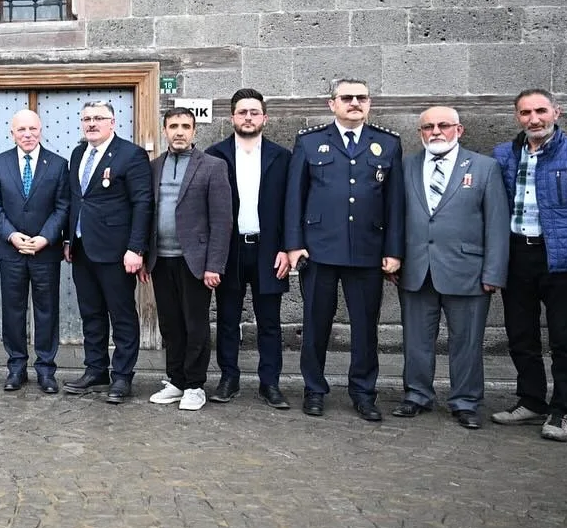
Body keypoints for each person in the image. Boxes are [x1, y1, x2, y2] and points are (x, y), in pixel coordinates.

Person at [491, 90, 567, 442]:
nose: (534, 119)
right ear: (517, 117)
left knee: (564, 338)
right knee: (520, 335)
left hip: (563, 260)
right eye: (525, 113)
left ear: (556, 111)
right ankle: (531, 400)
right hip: (517, 257)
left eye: (540, 110)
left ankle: (562, 409)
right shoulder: (503, 155)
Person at [285, 77, 403, 421]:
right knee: (316, 324)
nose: (355, 102)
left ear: (369, 104)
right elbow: (295, 198)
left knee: (366, 327)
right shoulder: (309, 143)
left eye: (361, 98)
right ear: (331, 104)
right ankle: (314, 389)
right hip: (319, 251)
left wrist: (394, 251)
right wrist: (294, 245)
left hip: (368, 251)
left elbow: (395, 204)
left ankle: (364, 392)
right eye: (347, 97)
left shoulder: (388, 144)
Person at [394, 106, 508, 429]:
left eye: (444, 125)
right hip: (417, 269)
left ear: (460, 130)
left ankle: (466, 401)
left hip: (468, 270)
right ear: (420, 133)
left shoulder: (485, 168)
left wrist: (494, 272)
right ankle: (416, 394)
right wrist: (394, 257)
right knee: (416, 339)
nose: (436, 132)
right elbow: (396, 219)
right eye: (428, 127)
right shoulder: (406, 166)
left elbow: (497, 224)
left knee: (467, 341)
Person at [204, 88, 292, 409]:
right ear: (232, 117)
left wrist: (287, 248)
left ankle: (270, 383)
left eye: (254, 112)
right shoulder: (214, 155)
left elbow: (291, 207)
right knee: (227, 318)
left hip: (269, 250)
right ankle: (229, 378)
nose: (249, 117)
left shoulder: (282, 157)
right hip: (229, 249)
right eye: (242, 112)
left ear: (264, 118)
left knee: (269, 321)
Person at [63, 100, 153, 404]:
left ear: (112, 123)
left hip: (117, 252)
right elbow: (77, 199)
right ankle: (96, 369)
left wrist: (136, 248)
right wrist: (68, 240)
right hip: (82, 249)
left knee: (122, 315)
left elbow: (143, 203)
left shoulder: (131, 155)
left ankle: (123, 376)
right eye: (86, 118)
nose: (91, 123)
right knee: (91, 314)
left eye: (98, 118)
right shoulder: (78, 153)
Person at [145, 108, 232, 412]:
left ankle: (195, 385)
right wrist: (145, 257)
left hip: (195, 261)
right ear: (164, 130)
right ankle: (176, 380)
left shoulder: (212, 167)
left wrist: (214, 265)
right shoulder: (154, 166)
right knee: (170, 324)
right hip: (161, 259)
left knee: (195, 325)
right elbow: (147, 214)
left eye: (185, 126)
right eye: (173, 126)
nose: (179, 131)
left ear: (194, 131)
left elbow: (222, 221)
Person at [0, 109, 69, 393]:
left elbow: (63, 206)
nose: (28, 134)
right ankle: (16, 368)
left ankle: (46, 369)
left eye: (32, 129)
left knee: (46, 311)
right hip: (12, 252)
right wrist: (10, 235)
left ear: (40, 130)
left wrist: (46, 237)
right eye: (21, 130)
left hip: (46, 252)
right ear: (12, 133)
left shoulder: (57, 165)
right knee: (13, 311)